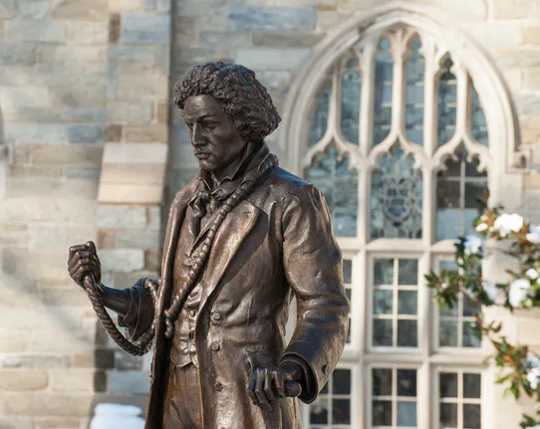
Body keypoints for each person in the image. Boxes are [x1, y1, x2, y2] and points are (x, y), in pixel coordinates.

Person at [68, 61, 349, 429]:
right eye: (190, 125)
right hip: (175, 399)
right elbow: (176, 302)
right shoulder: (186, 201)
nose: (197, 138)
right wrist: (100, 290)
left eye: (210, 124)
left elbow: (325, 306)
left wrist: (292, 366)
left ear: (244, 124)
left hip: (244, 398)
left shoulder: (290, 200)